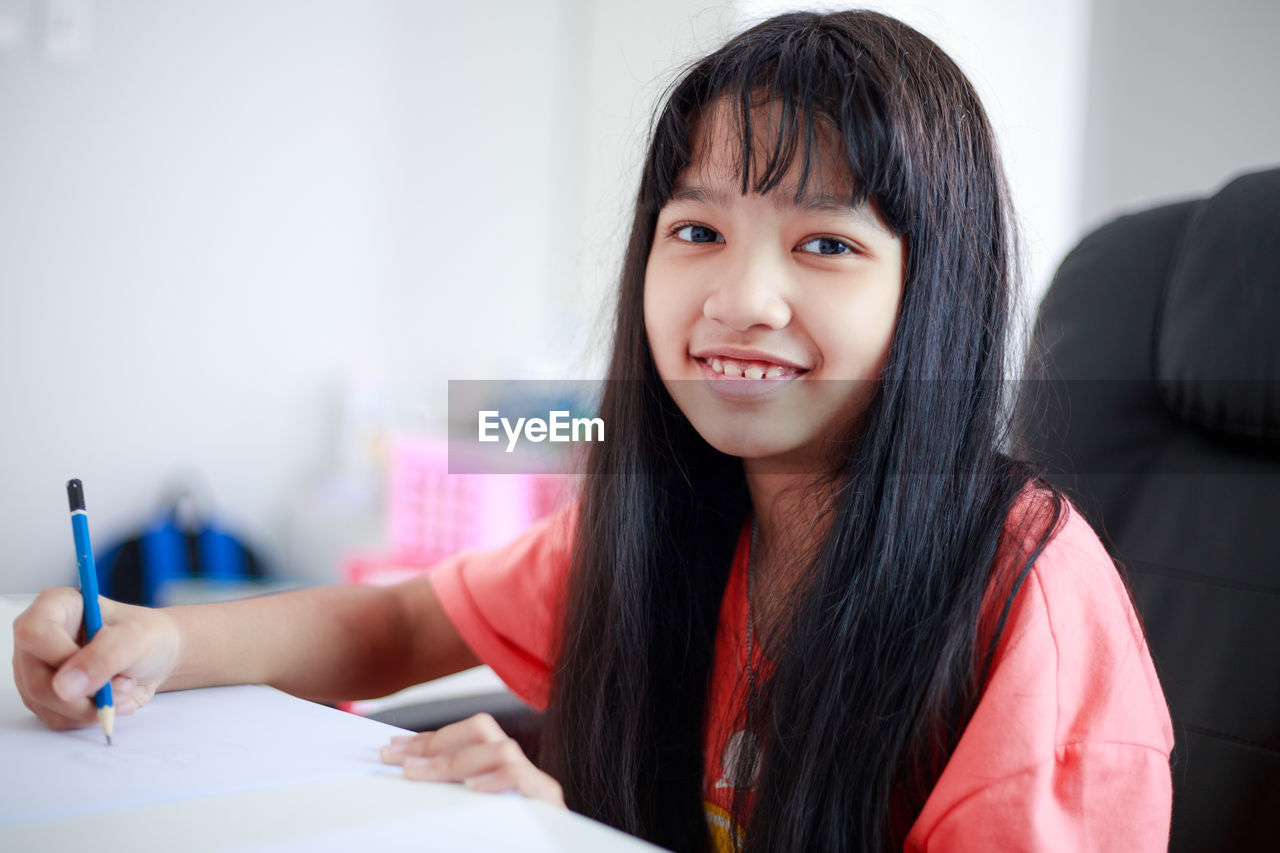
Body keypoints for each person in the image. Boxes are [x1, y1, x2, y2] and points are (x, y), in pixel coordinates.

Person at [12, 10, 1173, 852]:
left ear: (939, 294)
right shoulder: (675, 501)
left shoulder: (1027, 605)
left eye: (825, 244)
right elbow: (403, 618)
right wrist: (154, 641)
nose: (738, 299)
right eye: (695, 230)